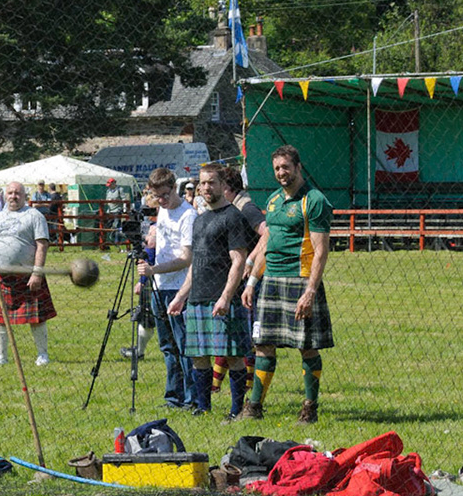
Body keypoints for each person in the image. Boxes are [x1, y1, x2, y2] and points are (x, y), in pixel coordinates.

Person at [242, 145, 334, 423]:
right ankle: (255, 407)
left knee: (306, 346)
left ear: (298, 167)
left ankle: (309, 408)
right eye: (277, 169)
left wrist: (310, 291)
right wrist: (252, 281)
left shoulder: (314, 200)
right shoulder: (272, 201)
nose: (281, 173)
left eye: (286, 167)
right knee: (263, 345)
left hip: (300, 279)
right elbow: (267, 244)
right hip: (271, 280)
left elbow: (321, 250)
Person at [169, 164, 257, 418]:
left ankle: (236, 409)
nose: (206, 188)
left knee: (232, 355)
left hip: (222, 297)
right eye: (203, 183)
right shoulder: (199, 220)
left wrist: (226, 297)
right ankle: (203, 407)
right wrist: (181, 295)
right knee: (199, 356)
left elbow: (238, 260)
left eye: (212, 183)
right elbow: (196, 264)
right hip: (198, 297)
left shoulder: (233, 217)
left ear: (223, 185)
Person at [138, 167, 197, 408]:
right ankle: (173, 397)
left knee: (184, 346)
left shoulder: (188, 215)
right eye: (156, 196)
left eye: (164, 195)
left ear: (174, 188)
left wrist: (153, 270)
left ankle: (192, 398)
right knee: (167, 346)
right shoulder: (162, 211)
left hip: (179, 288)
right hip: (159, 286)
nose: (161, 201)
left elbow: (186, 258)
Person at [0, 181, 54, 366]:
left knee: (37, 318)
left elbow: (42, 245)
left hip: (28, 275)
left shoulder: (34, 216)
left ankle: (42, 355)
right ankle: (1, 356)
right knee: (0, 319)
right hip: (2, 277)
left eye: (17, 193)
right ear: (5, 195)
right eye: (10, 193)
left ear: (25, 196)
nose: (13, 196)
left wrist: (37, 273)